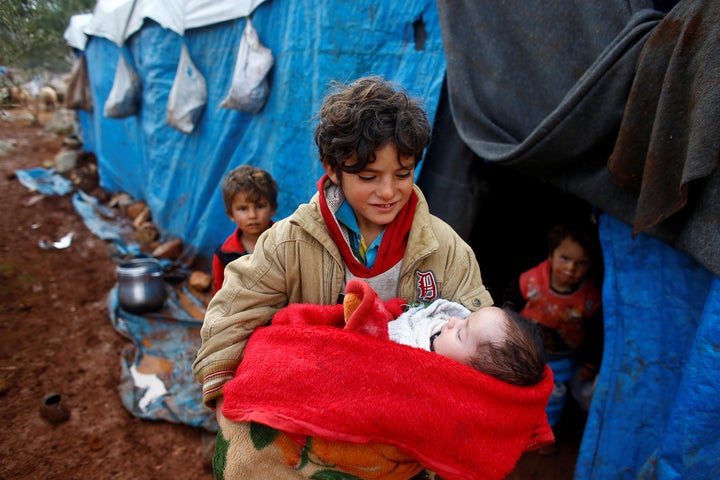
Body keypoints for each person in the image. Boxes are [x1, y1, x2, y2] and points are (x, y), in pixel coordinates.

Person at [193, 74, 493, 416]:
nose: (388, 192)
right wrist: (225, 405)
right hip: (310, 412)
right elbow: (230, 318)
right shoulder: (288, 242)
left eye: (402, 174)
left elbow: (482, 335)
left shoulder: (445, 248)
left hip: (406, 419)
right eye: (368, 176)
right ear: (333, 168)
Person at [502, 222, 603, 429]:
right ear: (551, 255)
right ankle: (509, 427)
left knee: (553, 398)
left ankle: (544, 433)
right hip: (524, 354)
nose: (570, 268)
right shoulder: (530, 283)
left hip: (563, 361)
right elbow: (506, 309)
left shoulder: (590, 299)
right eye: (565, 258)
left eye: (581, 263)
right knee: (513, 390)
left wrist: (590, 365)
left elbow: (596, 336)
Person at [388, 299, 546, 386]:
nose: (453, 321)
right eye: (466, 319)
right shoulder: (444, 320)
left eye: (460, 335)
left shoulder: (426, 378)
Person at [211, 165, 278, 294]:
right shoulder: (224, 255)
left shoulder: (285, 242)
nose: (252, 215)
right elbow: (220, 296)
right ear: (231, 214)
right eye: (243, 209)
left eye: (260, 206)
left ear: (273, 208)